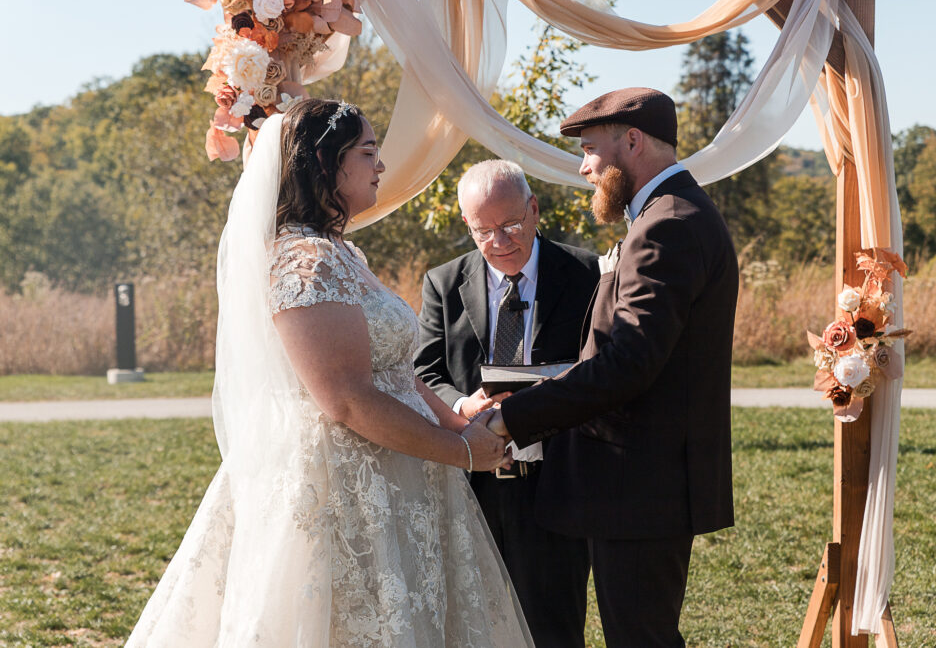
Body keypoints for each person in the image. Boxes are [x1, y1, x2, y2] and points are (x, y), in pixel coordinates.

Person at [126, 99, 533, 647]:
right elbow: (347, 399)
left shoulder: (343, 254)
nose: (381, 166)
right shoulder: (304, 261)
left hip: (405, 468)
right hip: (344, 487)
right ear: (325, 162)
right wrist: (460, 454)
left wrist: (458, 425)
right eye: (367, 152)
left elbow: (396, 372)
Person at [484, 88, 739, 647]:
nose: (584, 167)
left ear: (632, 141)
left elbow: (626, 362)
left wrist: (511, 419)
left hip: (642, 485)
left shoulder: (667, 225)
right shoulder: (665, 215)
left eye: (591, 151)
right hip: (637, 484)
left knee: (641, 638)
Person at [414, 160, 598, 647]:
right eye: (483, 231)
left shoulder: (587, 274)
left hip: (557, 480)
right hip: (471, 479)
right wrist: (461, 405)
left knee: (554, 628)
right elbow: (424, 372)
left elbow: (603, 367)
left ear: (534, 209)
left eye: (511, 225)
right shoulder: (443, 282)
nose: (498, 242)